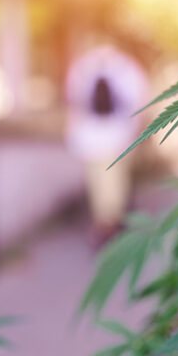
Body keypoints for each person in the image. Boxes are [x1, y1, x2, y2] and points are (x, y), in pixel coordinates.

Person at [65, 45, 147, 243]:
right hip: (99, 138)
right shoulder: (88, 71)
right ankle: (106, 223)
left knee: (114, 183)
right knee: (101, 182)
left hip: (115, 136)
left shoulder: (121, 71)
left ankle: (110, 222)